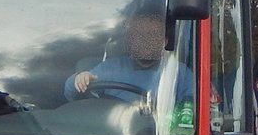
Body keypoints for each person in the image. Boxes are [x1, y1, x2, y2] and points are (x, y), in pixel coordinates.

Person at [63, 12, 194, 103]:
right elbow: (70, 93)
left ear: (164, 42)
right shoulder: (110, 67)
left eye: (152, 35)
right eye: (139, 35)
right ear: (130, 41)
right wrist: (78, 79)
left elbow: (191, 110)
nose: (145, 40)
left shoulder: (179, 73)